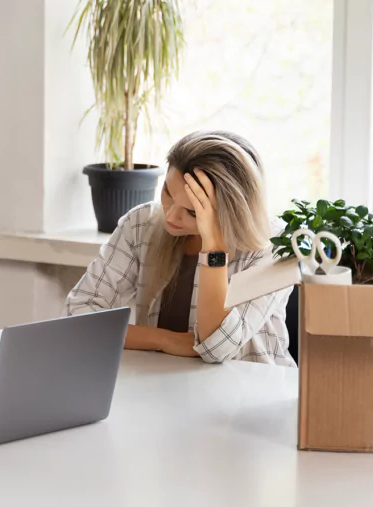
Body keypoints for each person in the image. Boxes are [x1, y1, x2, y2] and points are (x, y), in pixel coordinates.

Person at [65, 131, 294, 366]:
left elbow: (217, 347)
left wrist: (213, 246)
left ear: (231, 211)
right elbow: (78, 315)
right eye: (168, 192)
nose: (171, 215)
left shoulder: (275, 244)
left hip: (252, 390)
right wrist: (166, 340)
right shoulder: (141, 224)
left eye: (193, 211)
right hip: (162, 383)